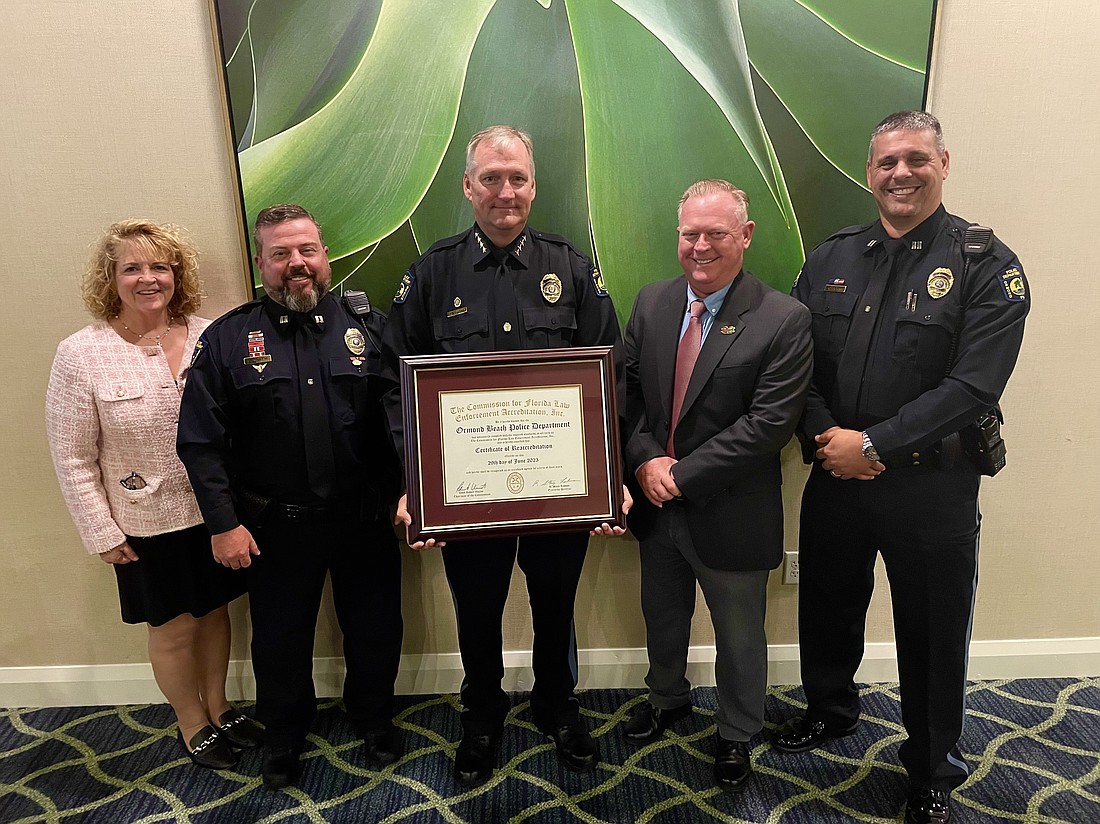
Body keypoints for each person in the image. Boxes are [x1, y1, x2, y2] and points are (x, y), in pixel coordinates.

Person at [774, 111, 1030, 824]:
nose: (901, 173)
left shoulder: (986, 264)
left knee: (932, 629)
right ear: (869, 173)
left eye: (916, 159)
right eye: (887, 162)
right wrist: (828, 437)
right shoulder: (830, 259)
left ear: (944, 165)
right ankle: (830, 708)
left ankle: (931, 769)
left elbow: (974, 387)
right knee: (827, 601)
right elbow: (797, 367)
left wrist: (875, 446)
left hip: (932, 486)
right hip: (835, 473)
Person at [382, 125, 627, 787]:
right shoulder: (432, 273)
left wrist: (612, 478)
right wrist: (417, 485)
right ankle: (483, 712)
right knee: (478, 607)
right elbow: (396, 386)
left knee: (555, 602)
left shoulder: (571, 268)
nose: (505, 191)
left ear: (534, 185)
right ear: (468, 187)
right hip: (466, 493)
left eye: (516, 177)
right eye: (490, 178)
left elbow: (610, 377)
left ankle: (556, 701)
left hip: (559, 491)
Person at [176, 204, 403, 790]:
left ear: (325, 256)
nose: (296, 264)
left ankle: (373, 716)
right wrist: (223, 524)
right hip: (275, 527)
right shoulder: (228, 339)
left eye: (306, 251)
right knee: (280, 638)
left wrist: (415, 493)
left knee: (376, 627)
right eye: (281, 254)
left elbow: (406, 420)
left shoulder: (370, 330)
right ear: (261, 263)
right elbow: (200, 443)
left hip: (365, 516)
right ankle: (284, 734)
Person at [46, 220, 261, 771]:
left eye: (160, 266)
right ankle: (193, 724)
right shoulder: (81, 354)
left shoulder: (209, 336)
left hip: (215, 513)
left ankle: (220, 706)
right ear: (111, 278)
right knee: (174, 628)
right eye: (133, 268)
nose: (148, 278)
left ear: (176, 274)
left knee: (215, 614)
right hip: (144, 522)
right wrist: (101, 531)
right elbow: (72, 456)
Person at [620, 180, 812, 792]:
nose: (700, 246)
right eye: (690, 234)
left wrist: (679, 476)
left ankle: (736, 732)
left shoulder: (784, 319)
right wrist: (648, 461)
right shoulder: (651, 303)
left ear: (745, 236)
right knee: (662, 616)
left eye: (716, 234)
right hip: (654, 503)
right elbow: (623, 399)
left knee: (737, 635)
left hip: (730, 510)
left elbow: (770, 425)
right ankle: (668, 699)